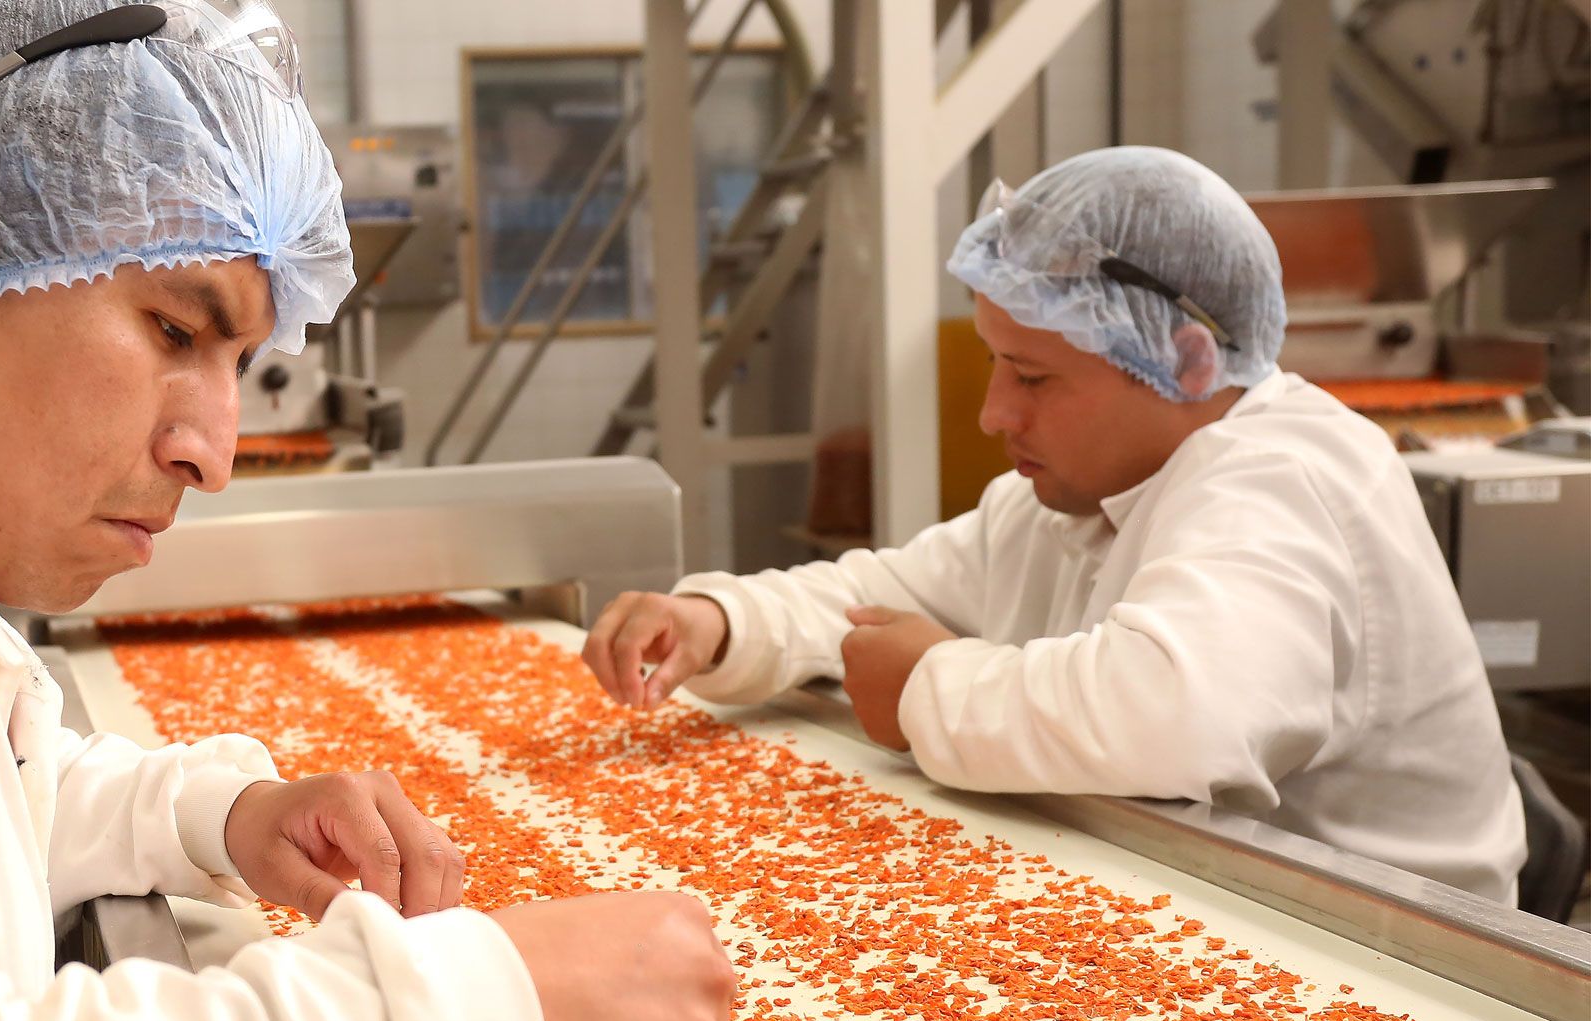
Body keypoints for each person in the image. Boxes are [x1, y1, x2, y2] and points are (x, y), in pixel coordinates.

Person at [0, 2, 733, 1021]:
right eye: (175, 330)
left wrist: (218, 816)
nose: (213, 454)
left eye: (237, 363)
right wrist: (463, 1000)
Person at [583, 146, 1526, 905]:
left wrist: (926, 687)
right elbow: (883, 594)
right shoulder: (1082, 490)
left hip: (1406, 957)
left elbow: (1177, 716)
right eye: (998, 364)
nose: (995, 413)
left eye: (1032, 377)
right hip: (1217, 894)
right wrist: (721, 622)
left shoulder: (1282, 478)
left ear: (1187, 362)